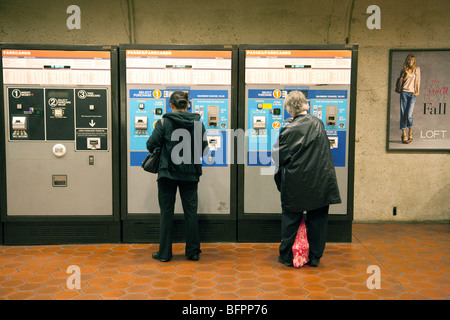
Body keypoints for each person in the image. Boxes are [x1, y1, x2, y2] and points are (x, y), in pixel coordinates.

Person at [272, 91, 341, 267]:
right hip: (319, 181)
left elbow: (277, 156)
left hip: (296, 183)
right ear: (305, 105)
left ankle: (286, 256)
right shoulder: (319, 124)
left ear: (289, 109)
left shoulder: (288, 129)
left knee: (291, 219)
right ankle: (315, 257)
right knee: (317, 220)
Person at [146, 91, 208, 262]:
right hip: (190, 174)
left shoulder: (163, 122)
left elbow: (150, 145)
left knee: (166, 213)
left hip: (167, 173)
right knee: (191, 213)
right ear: (187, 105)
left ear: (171, 105)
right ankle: (193, 252)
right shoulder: (198, 124)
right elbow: (204, 150)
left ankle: (165, 253)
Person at [399, 54, 420, 144]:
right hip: (404, 92)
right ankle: (404, 134)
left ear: (414, 61)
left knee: (409, 115)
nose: (410, 62)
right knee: (403, 114)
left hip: (412, 94)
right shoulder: (404, 70)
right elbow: (402, 81)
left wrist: (417, 91)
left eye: (412, 60)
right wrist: (406, 73)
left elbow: (418, 81)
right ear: (407, 61)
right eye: (409, 60)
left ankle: (410, 131)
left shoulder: (417, 69)